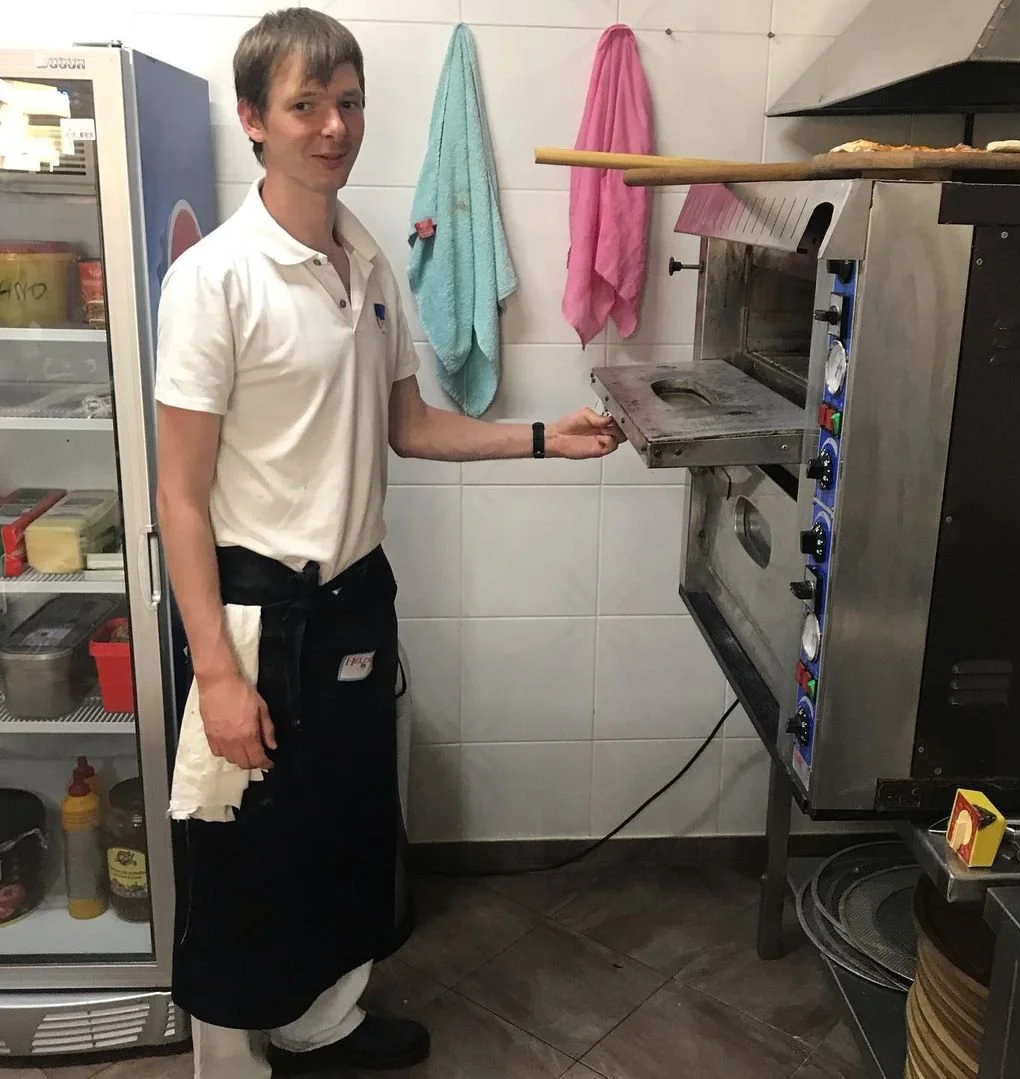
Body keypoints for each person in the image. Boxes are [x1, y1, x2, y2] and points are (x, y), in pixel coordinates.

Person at [153, 7, 620, 1078]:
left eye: (348, 101)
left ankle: (325, 1021)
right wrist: (218, 675)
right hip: (255, 609)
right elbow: (180, 497)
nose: (333, 125)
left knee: (347, 824)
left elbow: (409, 424)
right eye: (305, 104)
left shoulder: (366, 258)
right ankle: (232, 1060)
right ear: (254, 120)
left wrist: (544, 437)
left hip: (357, 596)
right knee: (239, 849)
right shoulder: (215, 280)